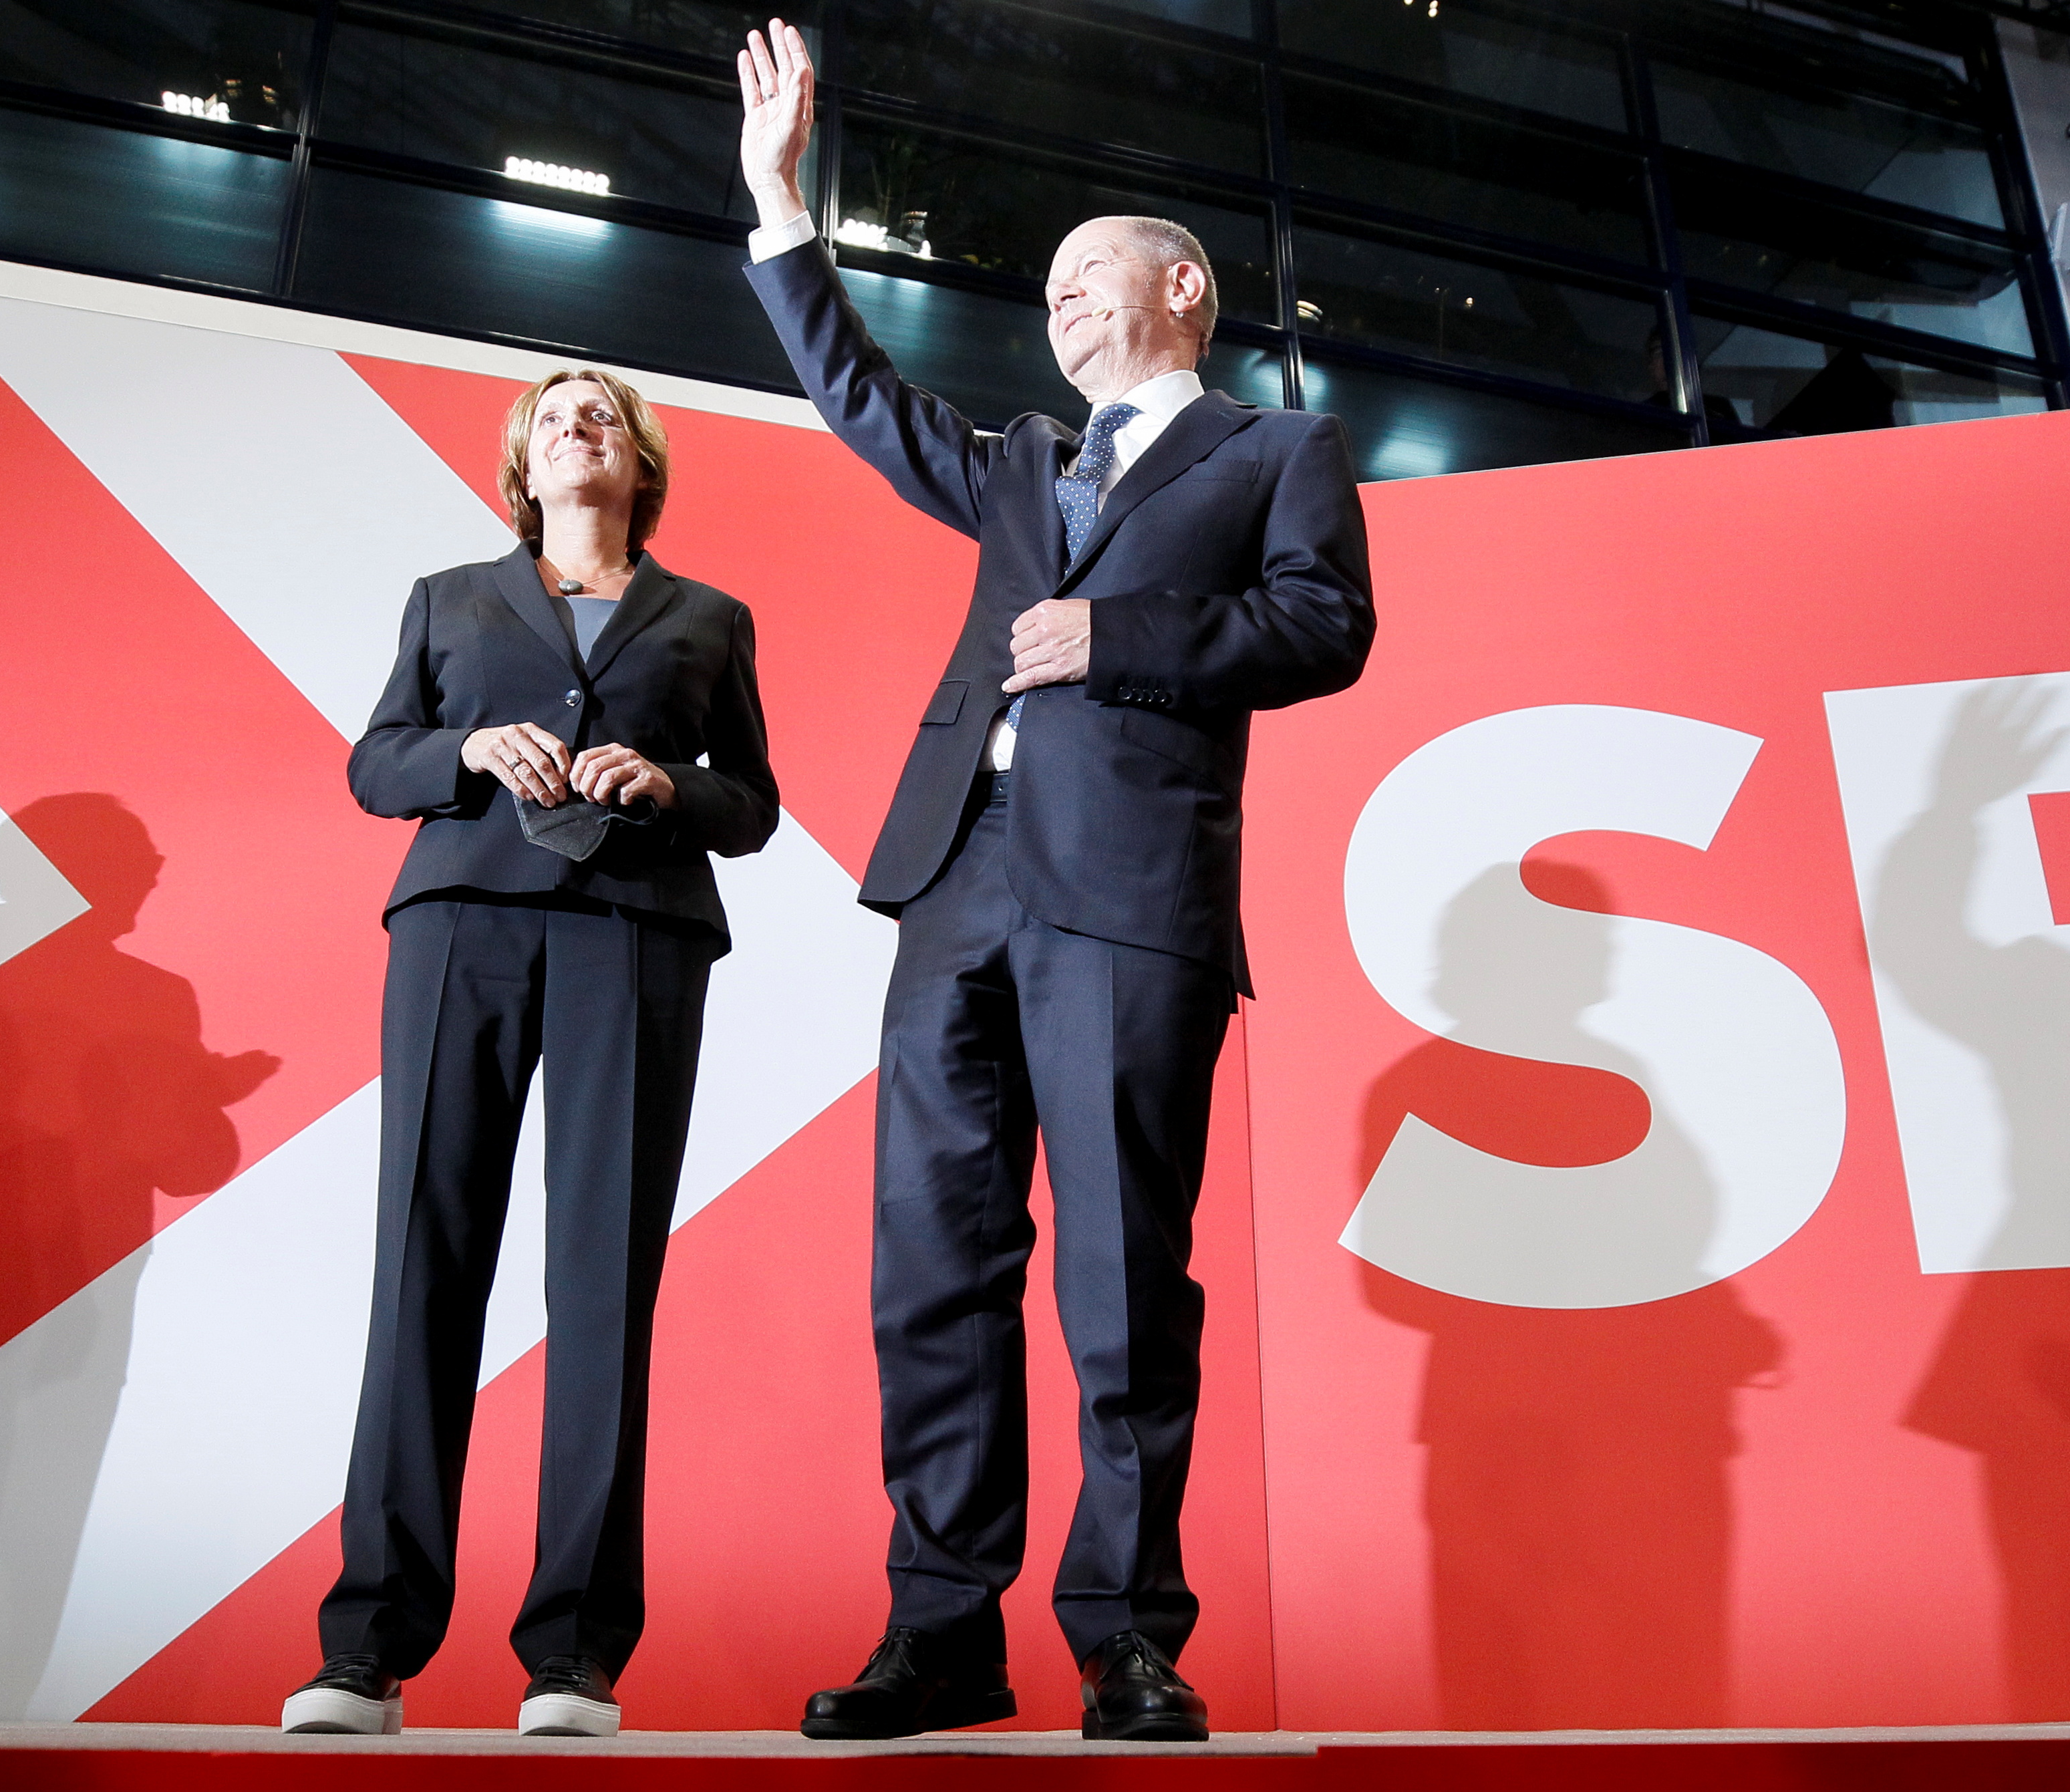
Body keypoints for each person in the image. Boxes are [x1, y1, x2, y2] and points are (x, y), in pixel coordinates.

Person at [734, 19, 1374, 1745]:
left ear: (1184, 288)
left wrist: (1120, 636)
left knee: (1121, 1276)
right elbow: (863, 402)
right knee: (932, 1264)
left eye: (1090, 275)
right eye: (1049, 292)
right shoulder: (1019, 458)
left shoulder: (1273, 450)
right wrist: (780, 205)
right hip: (957, 878)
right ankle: (943, 1628)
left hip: (1132, 898)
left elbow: (1325, 627)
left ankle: (1126, 1637)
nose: (1062, 301)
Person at [279, 369, 779, 1738]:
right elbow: (375, 763)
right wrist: (465, 749)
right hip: (463, 925)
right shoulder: (449, 599)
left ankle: (574, 1654)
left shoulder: (710, 617)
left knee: (605, 1277)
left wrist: (670, 783)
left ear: (641, 459)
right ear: (522, 462)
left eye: (599, 413)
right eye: (552, 416)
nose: (576, 426)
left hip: (638, 930)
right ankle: (367, 1646)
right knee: (424, 1261)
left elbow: (752, 804)